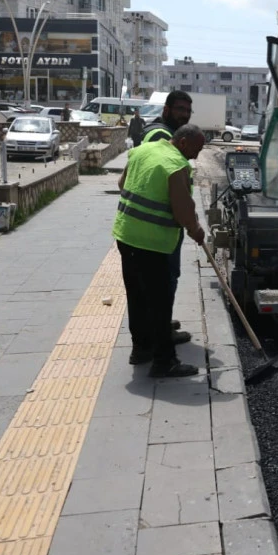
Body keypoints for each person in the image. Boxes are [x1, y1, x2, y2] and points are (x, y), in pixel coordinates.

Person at [113, 124, 208, 377]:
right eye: (197, 149)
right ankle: (164, 362)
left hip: (126, 236)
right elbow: (183, 209)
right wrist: (196, 230)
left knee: (137, 298)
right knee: (159, 303)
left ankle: (141, 349)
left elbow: (122, 183)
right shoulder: (176, 165)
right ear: (184, 143)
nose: (197, 156)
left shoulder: (143, 151)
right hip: (152, 244)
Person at [140, 90, 194, 333]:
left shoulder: (164, 133)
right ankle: (160, 331)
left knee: (159, 281)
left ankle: (158, 323)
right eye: (180, 109)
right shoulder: (160, 136)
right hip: (158, 226)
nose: (184, 115)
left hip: (156, 223)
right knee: (164, 280)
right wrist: (191, 224)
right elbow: (167, 180)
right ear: (166, 110)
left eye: (187, 111)